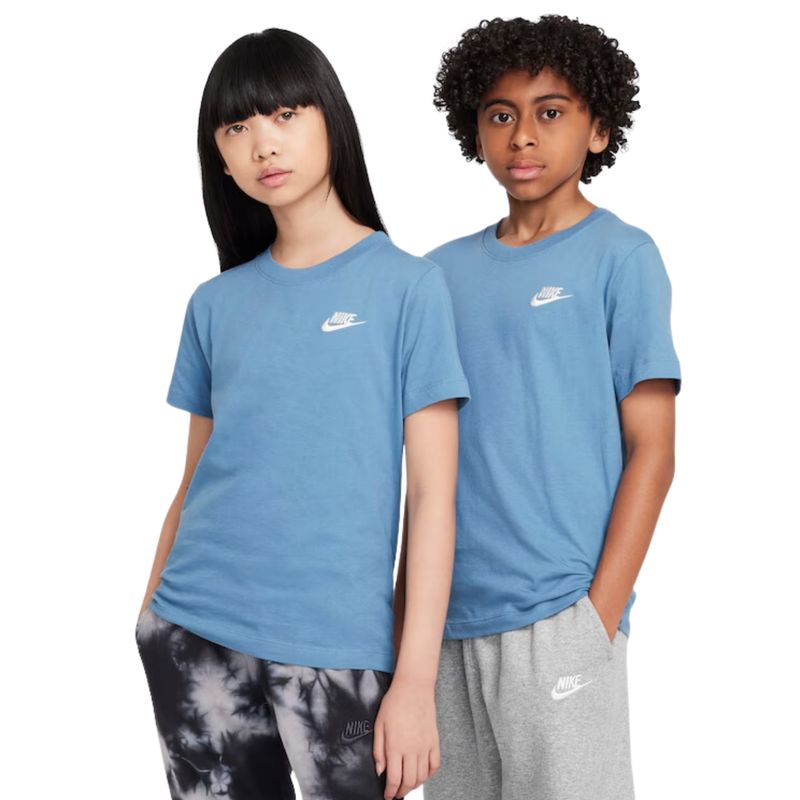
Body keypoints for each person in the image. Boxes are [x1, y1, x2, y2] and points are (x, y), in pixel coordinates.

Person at [134, 28, 470, 800]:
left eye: (285, 114)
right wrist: (151, 613)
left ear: (330, 119)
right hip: (193, 633)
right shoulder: (215, 304)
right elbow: (195, 479)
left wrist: (416, 683)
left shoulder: (409, 289)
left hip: (339, 654)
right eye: (237, 127)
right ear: (219, 157)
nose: (263, 144)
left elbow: (431, 499)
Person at [397, 15, 682, 800]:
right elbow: (417, 463)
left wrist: (597, 618)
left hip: (560, 616)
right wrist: (404, 623)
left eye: (550, 112)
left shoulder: (621, 257)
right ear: (475, 131)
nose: (522, 135)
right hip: (443, 622)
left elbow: (653, 450)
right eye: (500, 114)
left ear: (599, 129)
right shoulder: (434, 277)